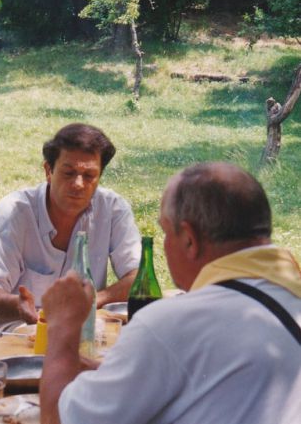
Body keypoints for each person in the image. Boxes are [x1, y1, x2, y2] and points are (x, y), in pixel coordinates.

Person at [40, 162, 301, 424]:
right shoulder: (289, 294)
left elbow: (57, 419)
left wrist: (63, 325)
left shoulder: (172, 323)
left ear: (189, 239)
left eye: (165, 232)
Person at [0, 123, 141, 339]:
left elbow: (138, 276)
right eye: (69, 173)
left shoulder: (113, 208)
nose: (78, 184)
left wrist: (96, 299)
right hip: (18, 331)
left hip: (83, 328)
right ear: (48, 171)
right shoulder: (14, 212)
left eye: (89, 176)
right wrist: (19, 305)